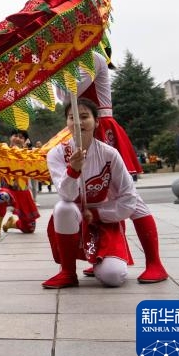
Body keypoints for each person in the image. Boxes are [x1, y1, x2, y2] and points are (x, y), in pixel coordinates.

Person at [70, 50, 168, 282]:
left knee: (129, 197)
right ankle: (103, 255)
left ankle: (155, 263)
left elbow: (69, 93)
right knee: (93, 197)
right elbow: (65, 100)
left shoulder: (93, 58)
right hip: (84, 128)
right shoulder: (72, 63)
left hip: (101, 128)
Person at [43, 98, 140, 289]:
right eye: (72, 118)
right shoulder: (56, 154)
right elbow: (67, 196)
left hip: (104, 220)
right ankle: (68, 272)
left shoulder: (109, 154)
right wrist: (73, 170)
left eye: (84, 117)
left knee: (113, 277)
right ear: (67, 123)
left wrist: (96, 214)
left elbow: (129, 200)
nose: (78, 122)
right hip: (75, 219)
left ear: (97, 122)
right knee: (63, 208)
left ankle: (99, 262)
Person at [0, 129, 40, 237]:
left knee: (30, 228)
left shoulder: (28, 154)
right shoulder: (2, 151)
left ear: (25, 141)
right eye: (15, 136)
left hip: (23, 193)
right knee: (1, 196)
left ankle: (11, 223)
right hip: (8, 191)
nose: (18, 139)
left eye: (21, 137)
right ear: (10, 138)